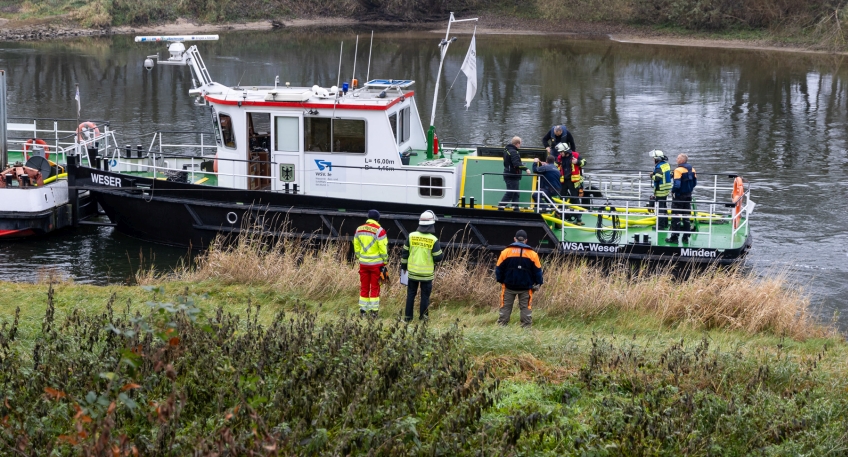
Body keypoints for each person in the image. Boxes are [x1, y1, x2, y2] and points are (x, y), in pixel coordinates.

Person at [400, 210, 444, 322]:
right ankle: (423, 319)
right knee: (425, 297)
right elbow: (438, 257)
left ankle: (408, 318)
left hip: (412, 273)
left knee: (411, 295)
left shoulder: (411, 236)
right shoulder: (433, 240)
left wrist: (403, 267)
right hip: (426, 275)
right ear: (431, 225)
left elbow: (404, 253)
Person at [495, 230, 543, 329]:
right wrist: (538, 283)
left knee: (505, 307)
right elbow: (538, 271)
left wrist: (501, 280)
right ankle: (526, 328)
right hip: (526, 287)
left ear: (515, 239)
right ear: (526, 240)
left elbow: (498, 269)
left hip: (508, 286)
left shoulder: (506, 252)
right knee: (525, 308)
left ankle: (501, 327)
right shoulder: (532, 254)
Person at [353, 209, 388, 317]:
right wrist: (385, 260)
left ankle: (363, 311)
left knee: (364, 287)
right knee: (375, 287)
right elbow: (383, 248)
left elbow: (356, 245)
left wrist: (359, 256)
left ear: (368, 218)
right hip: (376, 265)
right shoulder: (380, 231)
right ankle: (374, 312)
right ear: (378, 219)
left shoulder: (359, 229)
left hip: (363, 264)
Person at [666, 154, 697, 244]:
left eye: (678, 158)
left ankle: (674, 237)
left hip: (679, 196)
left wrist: (672, 191)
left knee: (676, 216)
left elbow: (677, 185)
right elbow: (695, 183)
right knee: (686, 216)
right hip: (688, 196)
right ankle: (686, 237)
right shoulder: (693, 169)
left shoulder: (678, 170)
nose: (677, 159)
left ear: (682, 160)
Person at [556, 143, 587, 225]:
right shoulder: (560, 158)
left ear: (566, 150)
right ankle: (560, 216)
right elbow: (555, 165)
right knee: (562, 198)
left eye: (561, 152)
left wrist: (577, 162)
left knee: (575, 198)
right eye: (560, 152)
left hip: (573, 181)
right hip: (563, 181)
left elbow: (584, 162)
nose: (560, 153)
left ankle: (579, 218)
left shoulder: (575, 155)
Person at [498, 136, 526, 211]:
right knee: (510, 193)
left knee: (516, 194)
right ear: (517, 143)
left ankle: (515, 209)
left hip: (510, 175)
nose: (520, 145)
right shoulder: (514, 152)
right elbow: (516, 164)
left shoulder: (507, 150)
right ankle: (500, 207)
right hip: (512, 175)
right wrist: (526, 169)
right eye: (520, 144)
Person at [649, 150, 672, 230]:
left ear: (657, 159)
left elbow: (658, 178)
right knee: (664, 206)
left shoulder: (659, 167)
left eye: (654, 158)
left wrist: (652, 176)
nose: (653, 160)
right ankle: (665, 223)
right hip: (666, 189)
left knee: (660, 208)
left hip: (660, 190)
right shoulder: (666, 164)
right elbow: (670, 175)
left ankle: (660, 226)